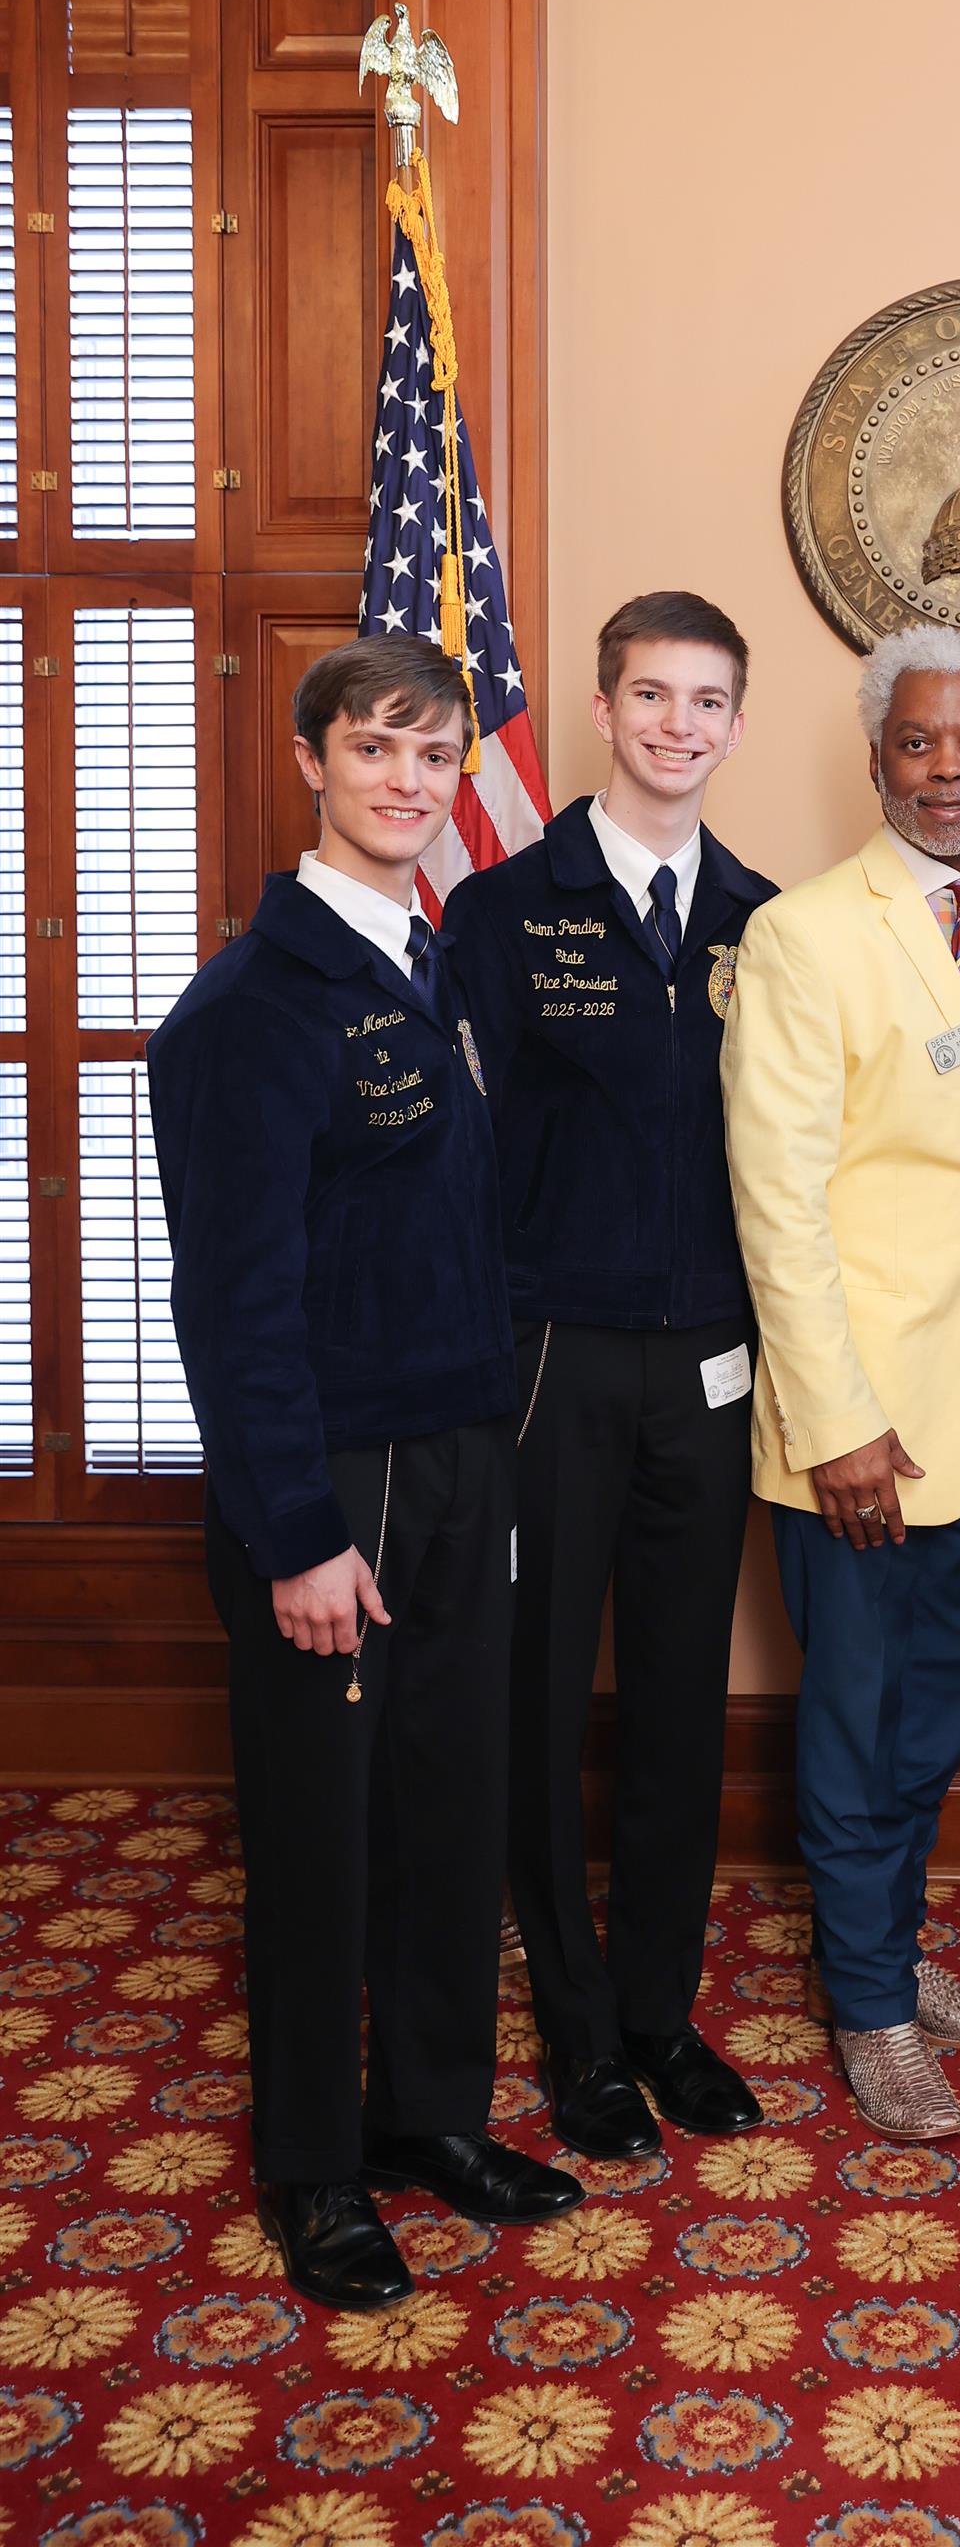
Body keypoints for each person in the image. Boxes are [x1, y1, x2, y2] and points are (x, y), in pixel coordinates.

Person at [146, 633, 581, 2313]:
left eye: (434, 751)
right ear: (312, 761)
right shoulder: (252, 1008)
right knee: (325, 1837)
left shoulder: (434, 962)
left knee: (450, 1810)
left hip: (464, 1454)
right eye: (376, 746)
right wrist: (298, 1533)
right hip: (334, 1483)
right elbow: (232, 1303)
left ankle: (431, 2117)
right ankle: (314, 2168)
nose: (408, 779)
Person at [721, 624, 960, 2139]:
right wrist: (837, 1418)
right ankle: (868, 2006)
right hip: (858, 1422)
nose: (947, 771)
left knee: (935, 1711)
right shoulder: (804, 935)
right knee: (859, 1720)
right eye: (917, 744)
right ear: (876, 762)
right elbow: (777, 1200)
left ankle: (894, 1955)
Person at [448, 593, 777, 2156]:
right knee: (536, 1697)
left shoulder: (764, 923)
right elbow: (455, 1153)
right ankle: (578, 2032)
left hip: (710, 1362)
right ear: (601, 707)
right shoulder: (506, 908)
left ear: (736, 723)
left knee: (680, 1700)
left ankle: (659, 2013)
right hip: (548, 1363)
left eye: (707, 702)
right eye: (652, 695)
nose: (677, 726)